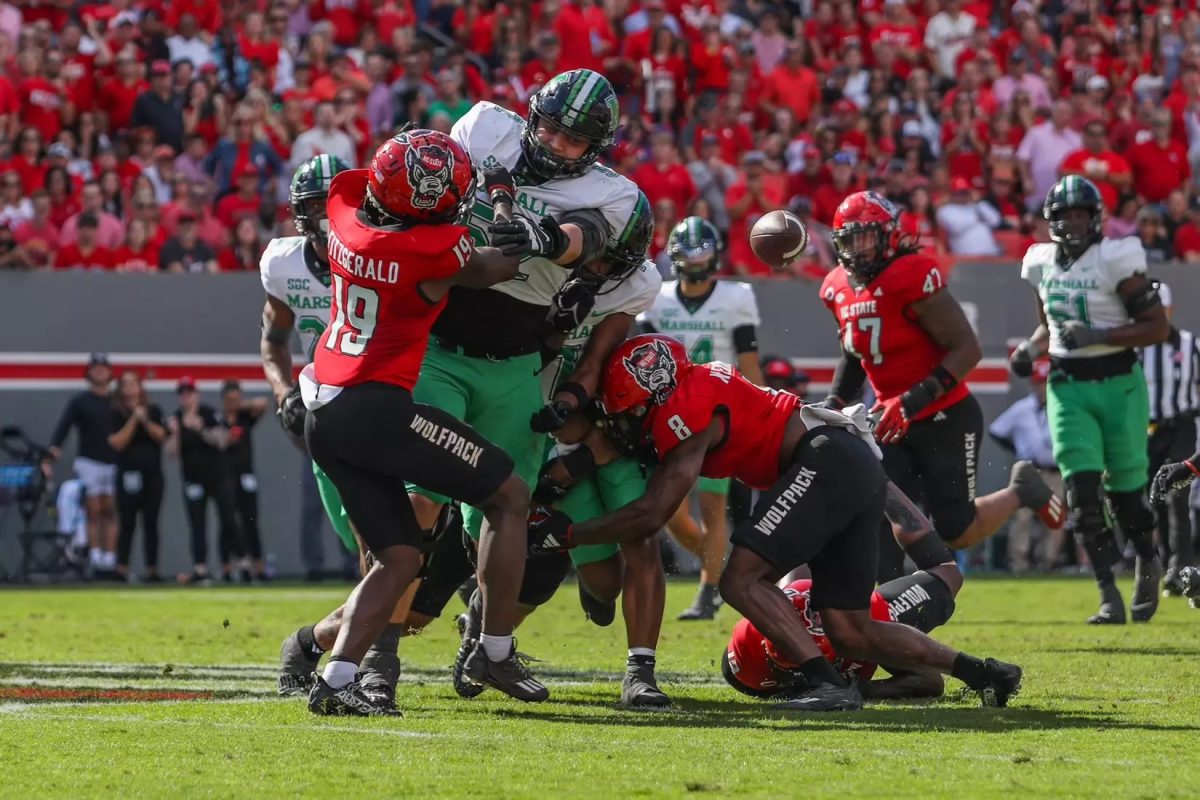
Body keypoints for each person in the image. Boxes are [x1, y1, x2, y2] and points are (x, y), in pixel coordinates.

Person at [528, 334, 1022, 711]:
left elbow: (651, 513)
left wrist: (571, 534)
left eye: (632, 409)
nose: (626, 421)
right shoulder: (694, 385)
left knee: (740, 579)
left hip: (824, 460)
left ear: (656, 394)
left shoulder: (685, 409)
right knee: (849, 629)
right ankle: (984, 674)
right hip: (848, 464)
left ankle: (823, 680)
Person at [300, 130, 536, 717]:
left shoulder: (343, 215)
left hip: (324, 410)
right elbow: (500, 264)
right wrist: (503, 200)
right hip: (375, 408)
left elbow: (361, 186)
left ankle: (334, 682)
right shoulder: (431, 251)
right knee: (509, 495)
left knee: (400, 557)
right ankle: (496, 647)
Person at [821, 191, 1062, 583]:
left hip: (943, 415)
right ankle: (883, 612)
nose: (856, 249)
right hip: (890, 421)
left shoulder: (912, 273)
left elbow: (968, 349)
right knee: (876, 509)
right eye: (847, 240)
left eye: (863, 237)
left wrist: (911, 401)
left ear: (888, 235)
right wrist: (833, 402)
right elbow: (854, 352)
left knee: (957, 530)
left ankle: (1022, 491)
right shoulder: (835, 287)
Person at [1011, 176, 1170, 624]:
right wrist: (1029, 349)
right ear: (1051, 221)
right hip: (1068, 385)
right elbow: (1050, 326)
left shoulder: (1116, 259)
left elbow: (1156, 327)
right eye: (1064, 216)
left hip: (1119, 380)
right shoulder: (1040, 263)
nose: (1073, 223)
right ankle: (1106, 594)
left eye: (1080, 214)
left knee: (1126, 492)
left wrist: (1102, 334)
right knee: (1080, 493)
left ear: (1096, 218)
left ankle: (1146, 558)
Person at [639, 216, 764, 620]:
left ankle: (708, 591)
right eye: (688, 254)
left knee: (713, 505)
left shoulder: (736, 296)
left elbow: (748, 362)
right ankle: (722, 565)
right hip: (668, 412)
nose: (695, 261)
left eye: (703, 253)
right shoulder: (659, 298)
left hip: (717, 415)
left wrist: (760, 408)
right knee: (670, 512)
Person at [724, 506, 964, 700]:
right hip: (796, 591)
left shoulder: (857, 626)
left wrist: (863, 689)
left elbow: (930, 680)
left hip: (845, 608)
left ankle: (886, 488)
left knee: (947, 575)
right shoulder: (747, 656)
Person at [1138, 283, 1200, 597]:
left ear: (1170, 310)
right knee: (1155, 496)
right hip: (1146, 429)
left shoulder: (1191, 345)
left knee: (1177, 492)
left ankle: (1181, 567)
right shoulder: (1135, 350)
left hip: (1182, 425)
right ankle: (1165, 565)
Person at [44, 352, 120, 578]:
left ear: (109, 373)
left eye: (103, 368)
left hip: (115, 463)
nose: (99, 371)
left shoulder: (117, 402)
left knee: (111, 510)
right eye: (95, 368)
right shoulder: (79, 402)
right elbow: (63, 428)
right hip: (89, 462)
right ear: (89, 373)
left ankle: (110, 559)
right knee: (93, 510)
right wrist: (51, 455)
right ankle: (95, 557)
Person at [988, 360, 1065, 573]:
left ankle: (1047, 563)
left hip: (1054, 472)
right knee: (1022, 517)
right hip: (1029, 470)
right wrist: (1019, 449)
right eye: (1039, 383)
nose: (1042, 388)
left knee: (1054, 517)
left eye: (1046, 383)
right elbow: (997, 430)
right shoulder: (1022, 409)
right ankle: (1018, 564)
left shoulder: (1063, 407)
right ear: (1033, 384)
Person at [166, 376, 243, 585]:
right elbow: (171, 453)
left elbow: (223, 441)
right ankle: (200, 567)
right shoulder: (175, 419)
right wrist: (175, 434)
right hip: (193, 479)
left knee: (228, 518)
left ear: (196, 395)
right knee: (197, 523)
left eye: (189, 393)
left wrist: (200, 428)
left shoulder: (209, 414)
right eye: (182, 393)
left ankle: (233, 565)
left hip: (217, 476)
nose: (186, 397)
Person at [108, 370, 167, 583]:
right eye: (126, 384)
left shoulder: (153, 410)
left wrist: (145, 421)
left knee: (151, 521)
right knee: (127, 522)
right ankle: (121, 568)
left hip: (153, 475)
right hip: (128, 475)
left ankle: (152, 569)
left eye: (134, 383)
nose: (131, 388)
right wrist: (133, 419)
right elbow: (116, 442)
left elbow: (162, 436)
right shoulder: (115, 413)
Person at [220, 380, 271, 582]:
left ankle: (258, 565)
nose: (233, 403)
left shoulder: (244, 418)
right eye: (230, 399)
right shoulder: (219, 419)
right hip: (224, 476)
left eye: (236, 399)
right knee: (229, 521)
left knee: (250, 520)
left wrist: (239, 406)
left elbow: (263, 404)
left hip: (245, 475)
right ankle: (230, 566)